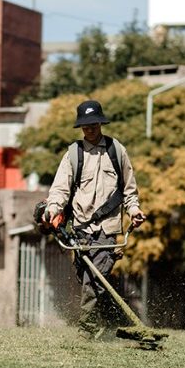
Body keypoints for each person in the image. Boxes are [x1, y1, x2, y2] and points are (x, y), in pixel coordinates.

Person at [41, 99, 146, 341]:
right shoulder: (73, 155)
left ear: (101, 122)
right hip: (80, 230)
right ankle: (109, 324)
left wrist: (134, 211)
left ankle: (85, 333)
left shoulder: (117, 151)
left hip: (108, 230)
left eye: (94, 124)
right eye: (85, 126)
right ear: (81, 127)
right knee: (89, 280)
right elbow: (60, 190)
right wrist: (52, 209)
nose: (90, 129)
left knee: (94, 281)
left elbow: (129, 191)